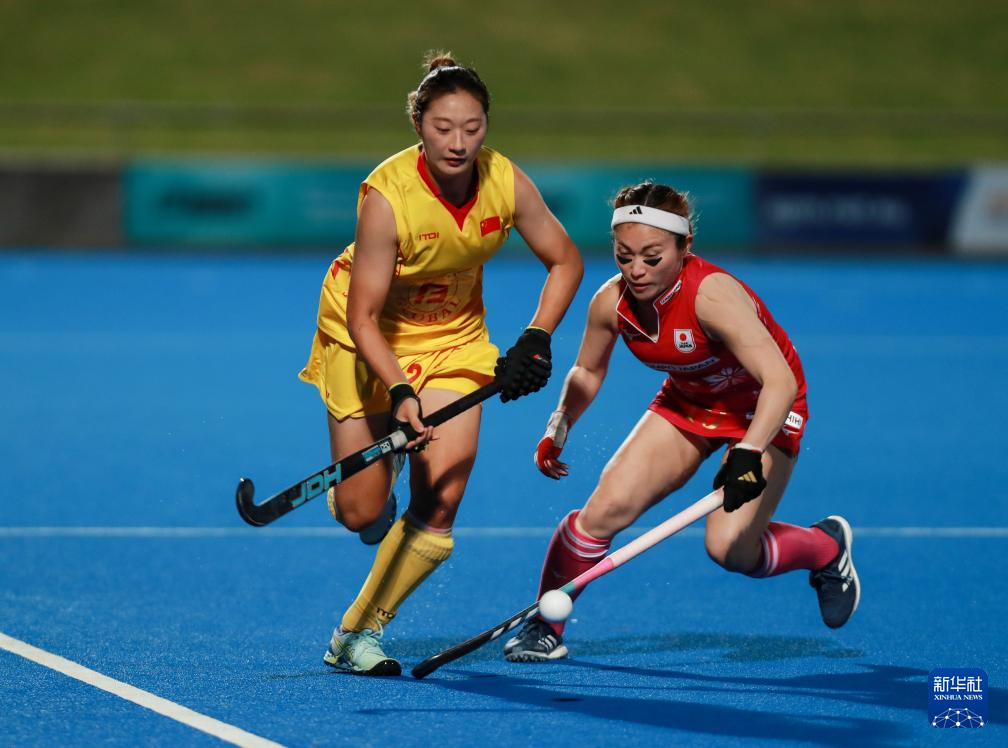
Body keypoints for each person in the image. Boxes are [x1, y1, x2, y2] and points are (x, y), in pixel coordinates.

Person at [298, 52, 583, 675]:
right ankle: (376, 486)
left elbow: (566, 260)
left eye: (472, 128)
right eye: (443, 127)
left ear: (487, 127)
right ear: (418, 126)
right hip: (365, 335)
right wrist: (402, 392)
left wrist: (536, 337)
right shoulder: (388, 196)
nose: (458, 143)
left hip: (454, 340)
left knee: (441, 500)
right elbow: (363, 317)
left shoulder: (505, 181)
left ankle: (356, 634)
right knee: (362, 512)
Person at [503, 181, 859, 662]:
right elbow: (587, 370)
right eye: (624, 256)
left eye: (652, 257)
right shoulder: (611, 303)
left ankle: (824, 548)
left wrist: (749, 452)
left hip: (766, 407)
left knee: (729, 549)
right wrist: (559, 424)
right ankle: (545, 624)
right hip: (690, 401)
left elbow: (779, 381)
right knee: (603, 511)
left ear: (685, 245)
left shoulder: (712, 297)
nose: (637, 270)